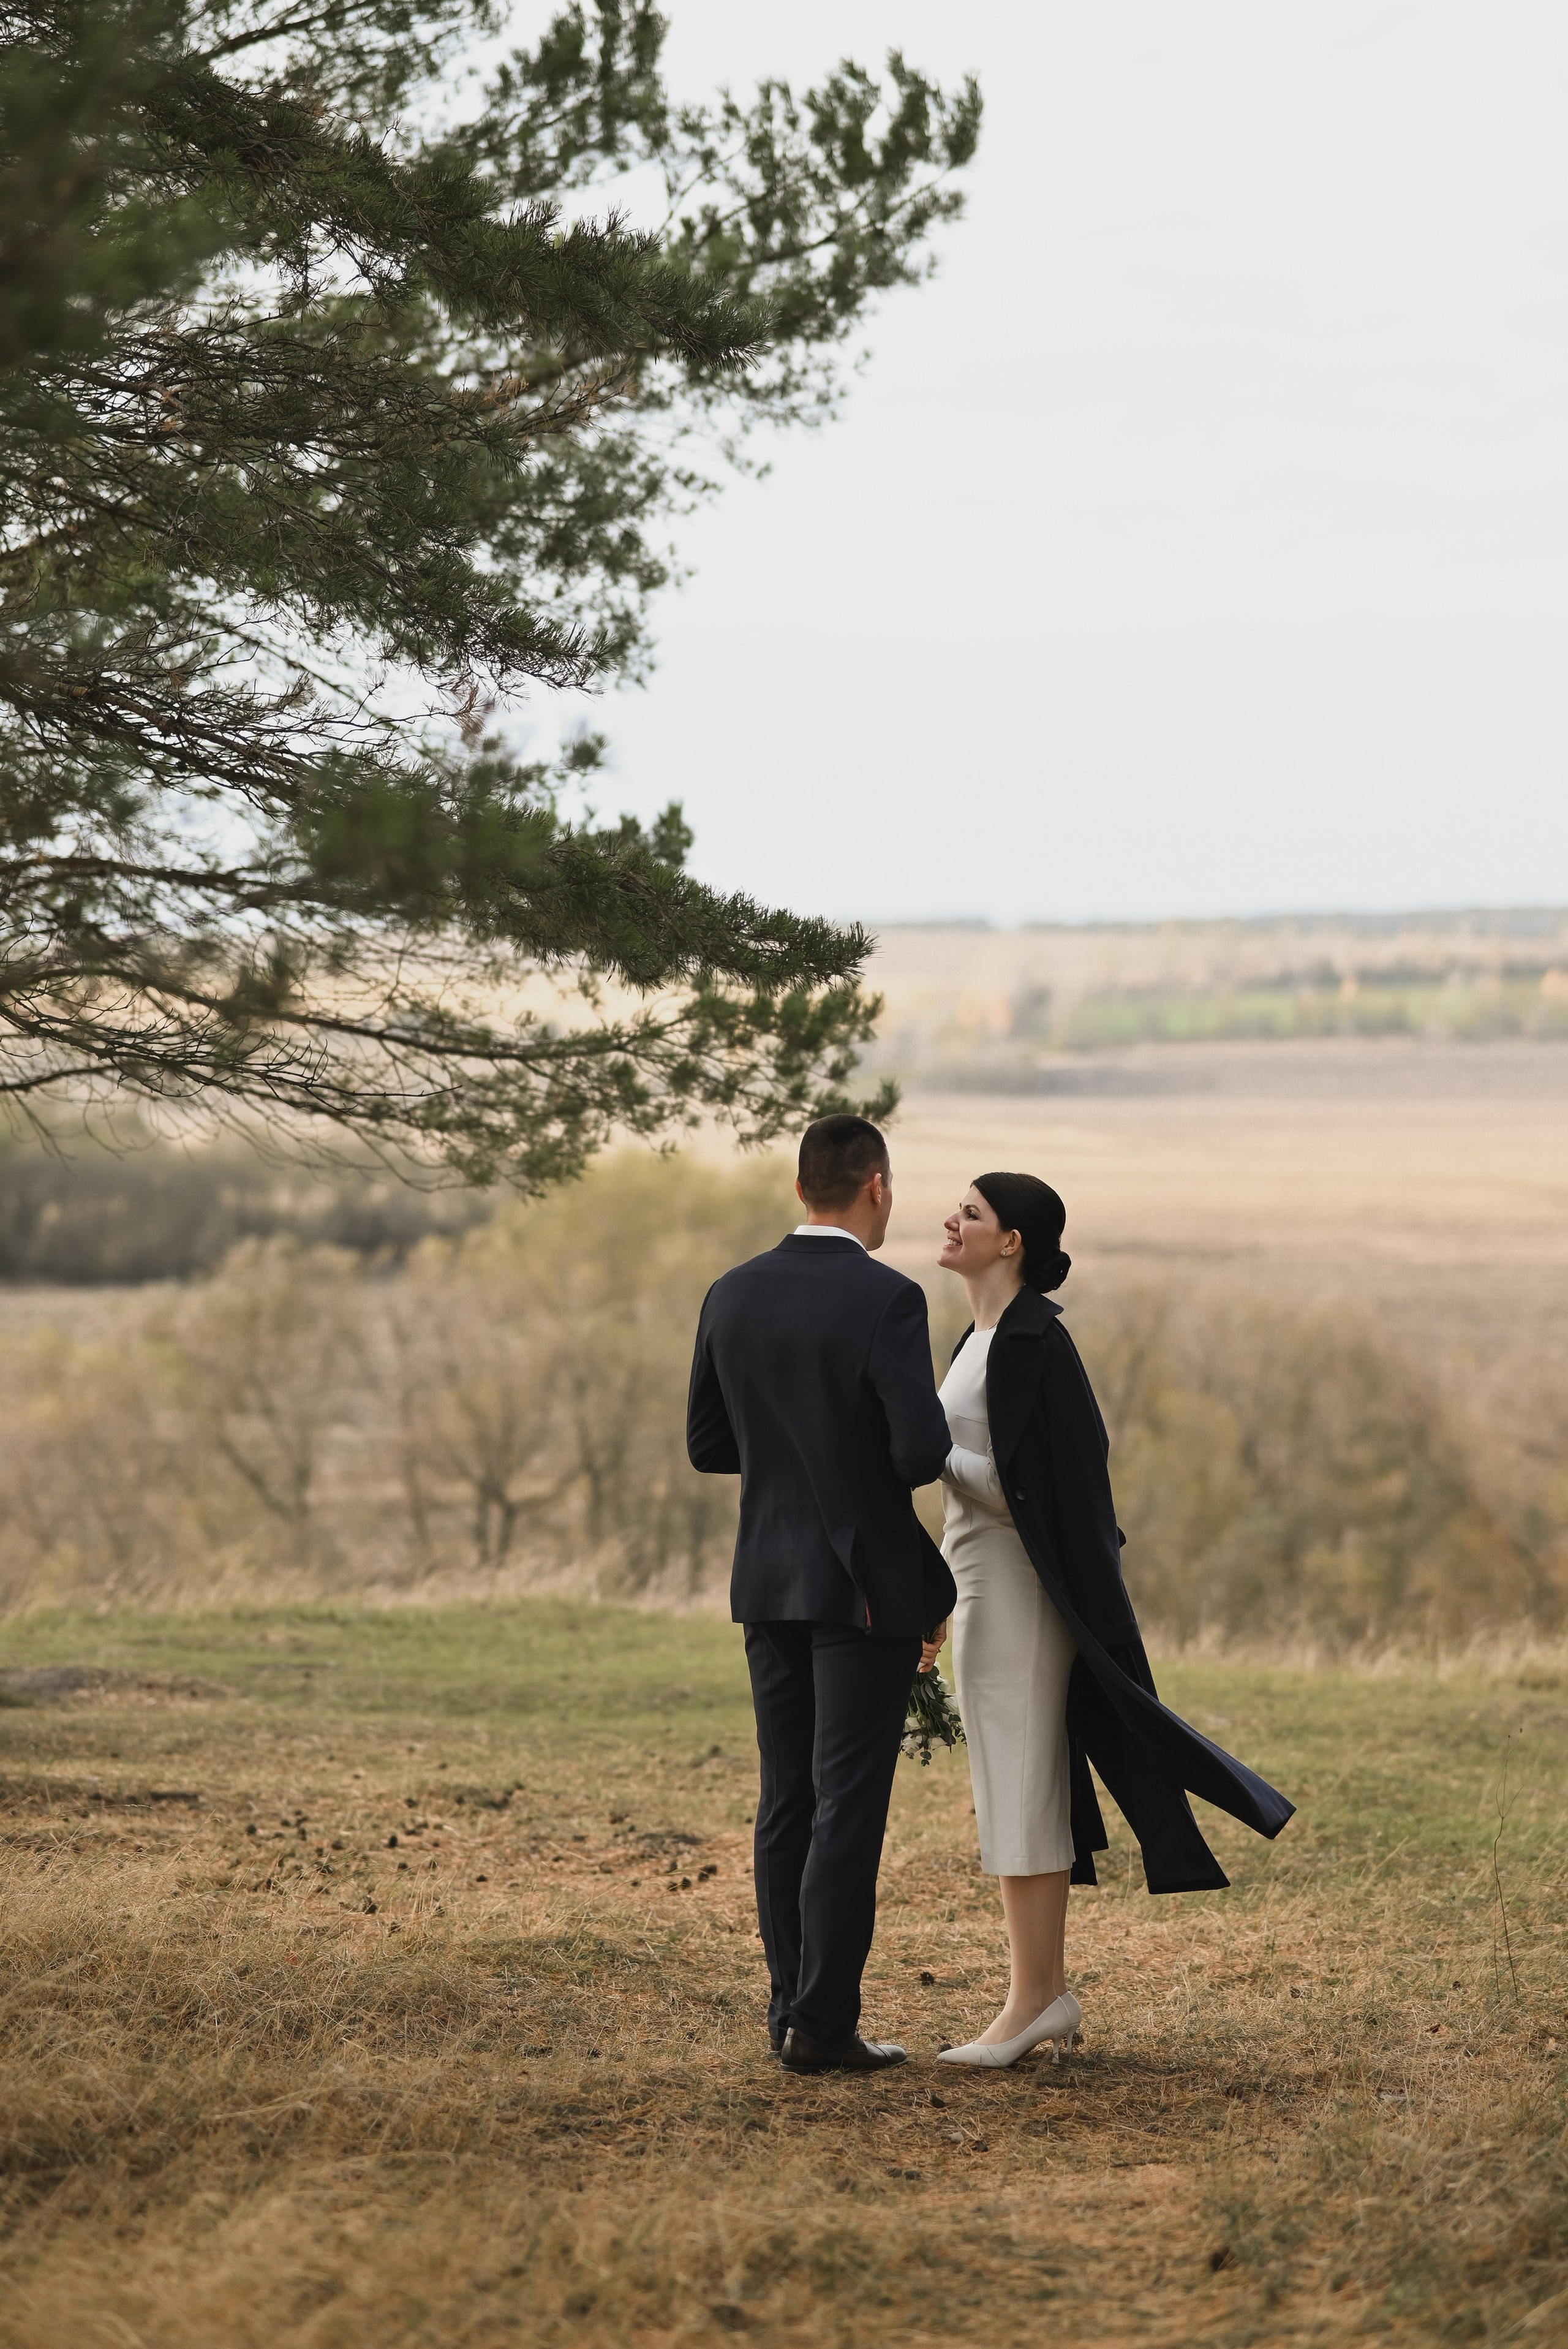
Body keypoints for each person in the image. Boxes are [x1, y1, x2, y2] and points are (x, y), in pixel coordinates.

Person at [927, 1171, 1294, 2070]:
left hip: (1018, 1589)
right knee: (1017, 1779)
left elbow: (1048, 1491)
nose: (951, 1218)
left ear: (1012, 1241)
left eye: (971, 1211)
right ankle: (1041, 1993)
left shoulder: (1034, 1343)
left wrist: (924, 1447)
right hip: (978, 1580)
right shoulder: (980, 1338)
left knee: (1022, 1783)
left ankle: (1029, 2003)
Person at [686, 1114, 956, 2075]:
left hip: (766, 1577)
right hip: (866, 1591)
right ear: (875, 1186)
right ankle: (825, 2025)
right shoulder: (888, 1298)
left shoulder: (732, 1291)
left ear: (804, 1186)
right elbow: (922, 1451)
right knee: (848, 1804)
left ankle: (788, 2009)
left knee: (785, 1800)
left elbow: (710, 1445)